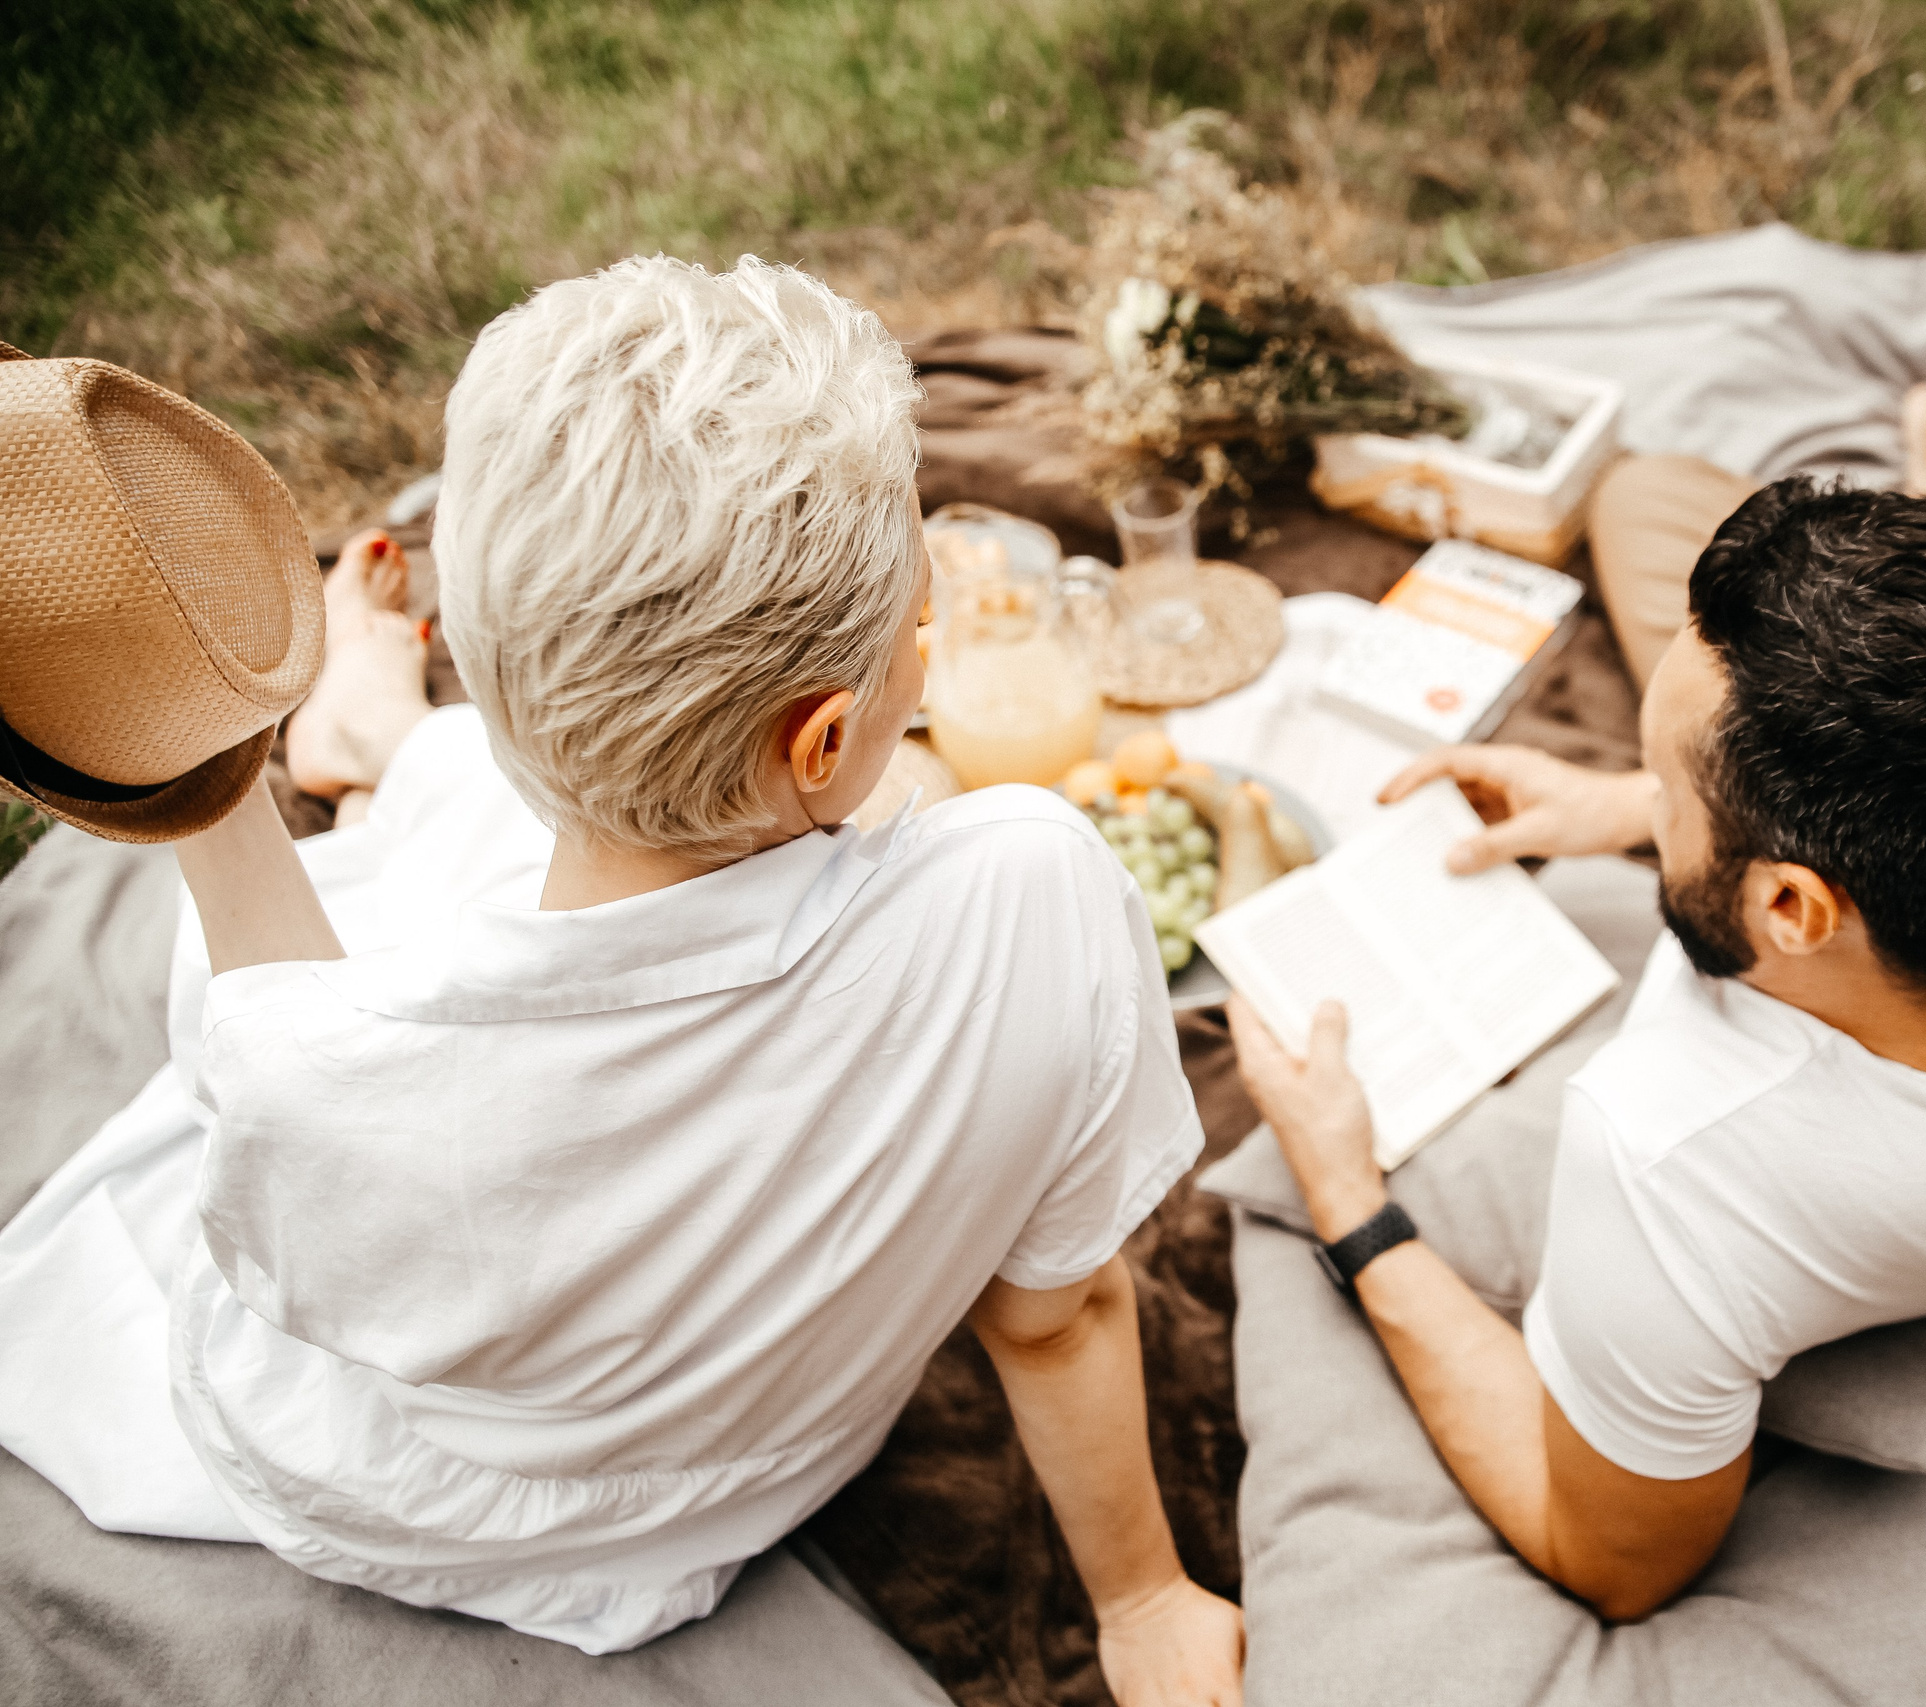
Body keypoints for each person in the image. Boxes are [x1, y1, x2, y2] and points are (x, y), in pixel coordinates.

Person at [0, 256, 1243, 1699]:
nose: (927, 642)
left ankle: (320, 754)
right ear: (828, 742)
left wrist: (207, 775)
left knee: (450, 842)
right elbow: (1059, 1312)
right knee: (493, 839)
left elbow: (266, 1056)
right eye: (921, 629)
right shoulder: (1040, 887)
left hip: (459, 1493)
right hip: (757, 1468)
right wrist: (1144, 1597)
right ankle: (377, 738)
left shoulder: (320, 1081)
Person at [1228, 97, 1926, 1622]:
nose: (1635, 780)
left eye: (1664, 781)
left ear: (1790, 909)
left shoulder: (1683, 1162)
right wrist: (1640, 809)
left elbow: (1613, 1555)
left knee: (1634, 492)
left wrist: (1352, 1200)